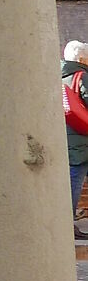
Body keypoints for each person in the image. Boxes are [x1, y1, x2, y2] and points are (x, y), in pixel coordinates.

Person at [64, 40, 88, 234]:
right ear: (81, 58)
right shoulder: (82, 76)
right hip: (81, 140)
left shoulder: (59, 75)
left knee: (70, 179)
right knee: (74, 180)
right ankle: (66, 223)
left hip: (66, 137)